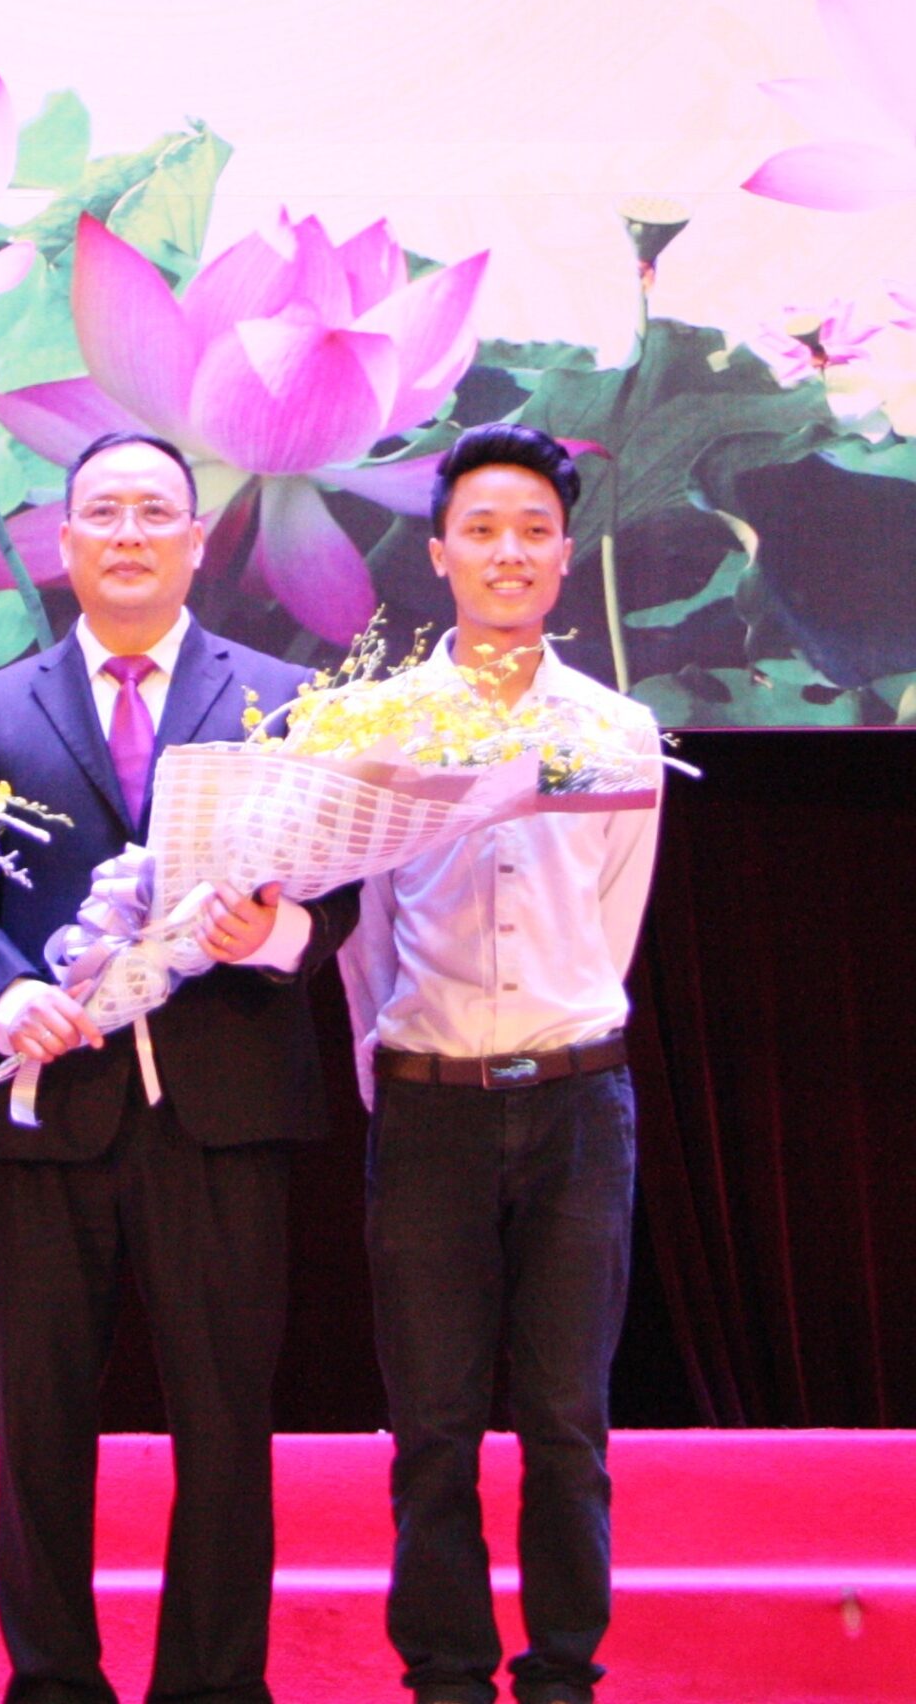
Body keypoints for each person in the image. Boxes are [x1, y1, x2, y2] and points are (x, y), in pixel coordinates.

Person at [0, 429, 361, 1704]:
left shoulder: (284, 698)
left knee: (225, 1424)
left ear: (196, 540)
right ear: (62, 543)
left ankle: (213, 1684)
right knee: (38, 1426)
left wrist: (266, 933)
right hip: (45, 1108)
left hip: (222, 1111)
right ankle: (52, 1679)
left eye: (154, 512)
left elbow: (335, 891)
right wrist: (0, 993)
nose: (128, 534)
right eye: (102, 513)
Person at [340, 424, 662, 1704]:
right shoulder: (376, 724)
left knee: (567, 1417)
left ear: (565, 553)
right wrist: (402, 1061)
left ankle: (565, 1671)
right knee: (431, 1421)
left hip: (578, 1099)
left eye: (532, 529)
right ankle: (446, 1673)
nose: (507, 552)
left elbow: (613, 916)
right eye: (480, 529)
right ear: (438, 553)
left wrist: (555, 1030)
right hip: (430, 1102)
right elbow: (363, 932)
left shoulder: (618, 728)